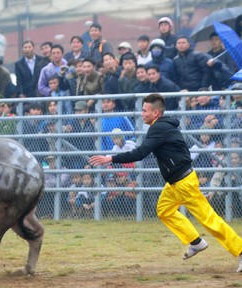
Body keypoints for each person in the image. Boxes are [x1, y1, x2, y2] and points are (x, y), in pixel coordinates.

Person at [89, 93, 242, 273]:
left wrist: (110, 158)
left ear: (156, 113)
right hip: (175, 183)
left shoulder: (158, 128)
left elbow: (140, 153)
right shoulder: (162, 126)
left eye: (145, 110)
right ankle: (196, 242)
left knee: (209, 220)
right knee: (164, 210)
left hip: (184, 182)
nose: (141, 114)